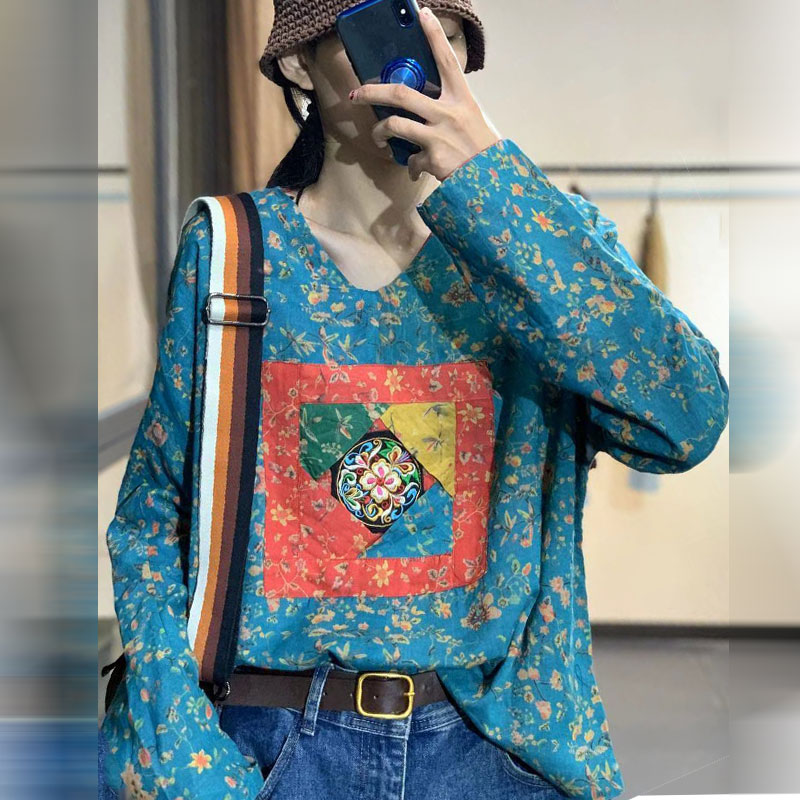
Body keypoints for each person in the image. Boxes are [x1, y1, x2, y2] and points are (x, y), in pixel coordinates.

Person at [98, 2, 730, 799]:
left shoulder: (538, 253)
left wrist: (490, 181)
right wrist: (188, 760)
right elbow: (153, 518)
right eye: (385, 26)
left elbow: (687, 418)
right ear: (297, 63)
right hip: (270, 747)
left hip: (493, 749)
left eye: (447, 33)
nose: (419, 60)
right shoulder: (232, 253)